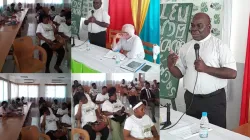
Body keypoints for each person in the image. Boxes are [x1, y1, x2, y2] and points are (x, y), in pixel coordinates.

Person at [167, 13, 237, 128]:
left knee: (216, 134)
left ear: (209, 27)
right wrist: (170, 66)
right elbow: (179, 73)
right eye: (192, 25)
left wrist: (206, 68)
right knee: (193, 131)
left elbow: (232, 73)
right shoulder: (186, 47)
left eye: (199, 26)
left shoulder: (219, 46)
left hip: (213, 101)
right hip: (192, 100)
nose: (194, 29)